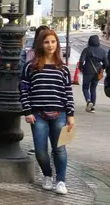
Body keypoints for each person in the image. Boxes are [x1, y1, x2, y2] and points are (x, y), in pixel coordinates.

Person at [20, 28, 75, 195]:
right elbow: (23, 89)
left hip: (60, 114)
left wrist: (71, 115)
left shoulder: (63, 69)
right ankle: (47, 175)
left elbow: (68, 92)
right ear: (41, 44)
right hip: (38, 114)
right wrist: (27, 111)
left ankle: (61, 180)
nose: (50, 45)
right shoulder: (31, 66)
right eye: (46, 42)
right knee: (41, 150)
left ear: (57, 44)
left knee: (59, 149)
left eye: (53, 41)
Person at [78, 35, 107, 113]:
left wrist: (81, 68)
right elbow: (106, 63)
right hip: (97, 72)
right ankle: (92, 107)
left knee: (85, 87)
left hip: (87, 70)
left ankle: (88, 101)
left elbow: (81, 61)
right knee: (93, 88)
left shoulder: (86, 50)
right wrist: (102, 68)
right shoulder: (103, 51)